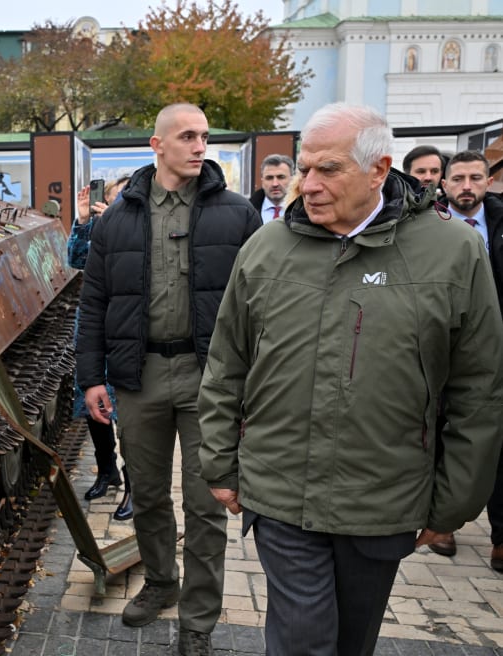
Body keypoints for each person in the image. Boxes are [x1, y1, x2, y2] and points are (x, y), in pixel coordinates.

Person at [198, 104, 503, 656]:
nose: (307, 185)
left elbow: (479, 390)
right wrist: (219, 461)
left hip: (383, 498)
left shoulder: (454, 252)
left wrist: (453, 502)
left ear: (379, 170)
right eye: (303, 168)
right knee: (302, 642)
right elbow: (226, 364)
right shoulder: (266, 249)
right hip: (281, 491)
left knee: (352, 642)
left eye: (328, 170)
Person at [76, 103, 261, 655]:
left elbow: (260, 307)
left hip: (213, 377)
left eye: (204, 136)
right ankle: (161, 581)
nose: (200, 145)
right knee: (149, 492)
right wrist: (91, 378)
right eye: (187, 136)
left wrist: (253, 387)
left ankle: (199, 620)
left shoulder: (238, 216)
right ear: (156, 145)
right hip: (141, 376)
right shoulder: (118, 220)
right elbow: (95, 302)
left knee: (207, 503)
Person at [427, 149, 503, 563]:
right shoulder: (429, 229)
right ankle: (445, 523)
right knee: (443, 433)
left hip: (494, 347)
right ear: (445, 183)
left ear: (489, 182)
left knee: (492, 437)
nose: (467, 186)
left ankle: (500, 534)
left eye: (476, 178)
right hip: (444, 346)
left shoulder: (498, 225)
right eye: (458, 179)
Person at [70, 176, 133, 521]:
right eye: (114, 196)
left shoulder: (141, 226)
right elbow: (75, 260)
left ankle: (135, 486)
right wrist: (83, 221)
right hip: (95, 326)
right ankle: (106, 470)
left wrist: (117, 224)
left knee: (129, 413)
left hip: (128, 327)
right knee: (93, 407)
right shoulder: (96, 226)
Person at [248, 154, 295, 224]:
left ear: (292, 180)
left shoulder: (304, 211)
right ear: (262, 181)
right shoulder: (248, 211)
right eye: (269, 178)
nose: (275, 184)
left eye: (281, 177)